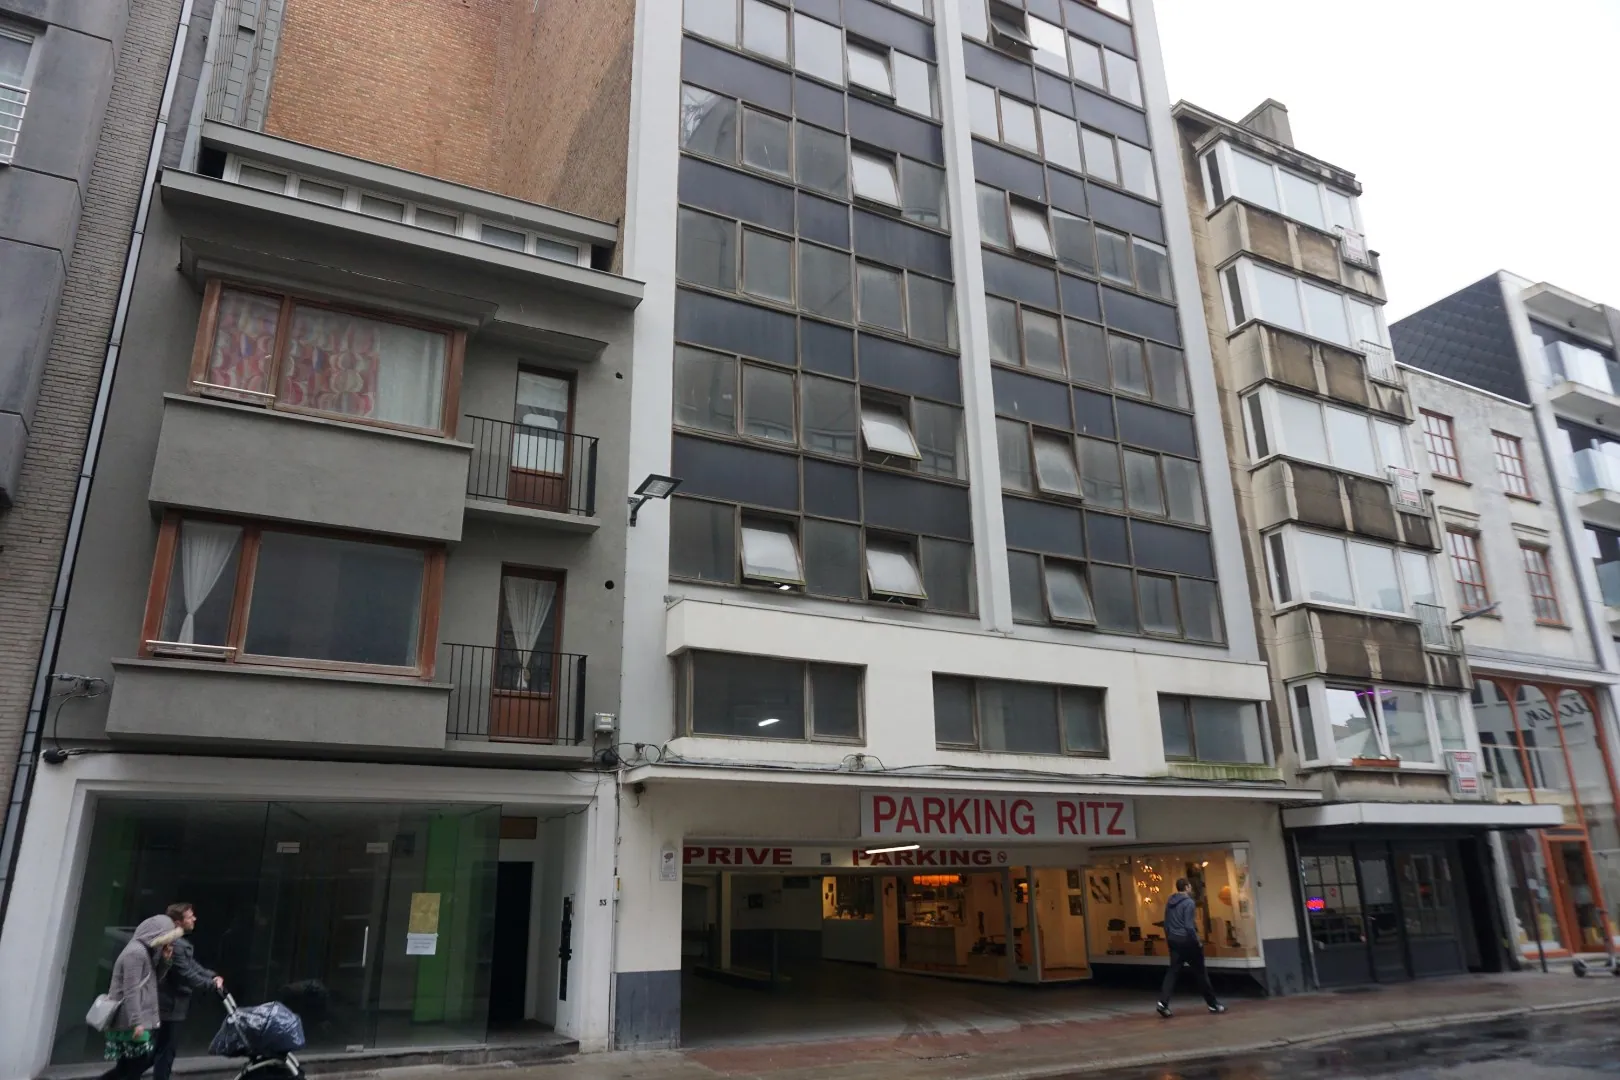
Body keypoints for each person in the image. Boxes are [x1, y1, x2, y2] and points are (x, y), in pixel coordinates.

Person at [99, 914, 184, 1080]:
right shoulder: (136, 953)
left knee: (130, 1066)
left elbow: (152, 980)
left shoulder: (146, 952)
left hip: (134, 1019)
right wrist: (136, 1022)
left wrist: (165, 961)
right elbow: (130, 990)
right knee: (135, 1064)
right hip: (129, 1020)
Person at [154, 903, 224, 1080]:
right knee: (164, 1050)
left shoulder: (179, 944)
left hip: (172, 1003)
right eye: (189, 916)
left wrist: (211, 976)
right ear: (178, 922)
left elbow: (192, 966)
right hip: (170, 1004)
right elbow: (186, 974)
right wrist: (211, 984)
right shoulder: (176, 945)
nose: (194, 919)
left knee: (162, 1050)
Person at [1156, 877, 1226, 1018]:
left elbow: (1166, 923)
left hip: (1174, 940)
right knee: (1200, 973)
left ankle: (1163, 1003)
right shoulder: (1189, 903)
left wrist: (1169, 938)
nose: (1191, 888)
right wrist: (1197, 941)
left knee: (1173, 971)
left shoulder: (1170, 902)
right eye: (1190, 886)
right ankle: (1213, 1004)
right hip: (1187, 941)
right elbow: (1189, 925)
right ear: (1187, 887)